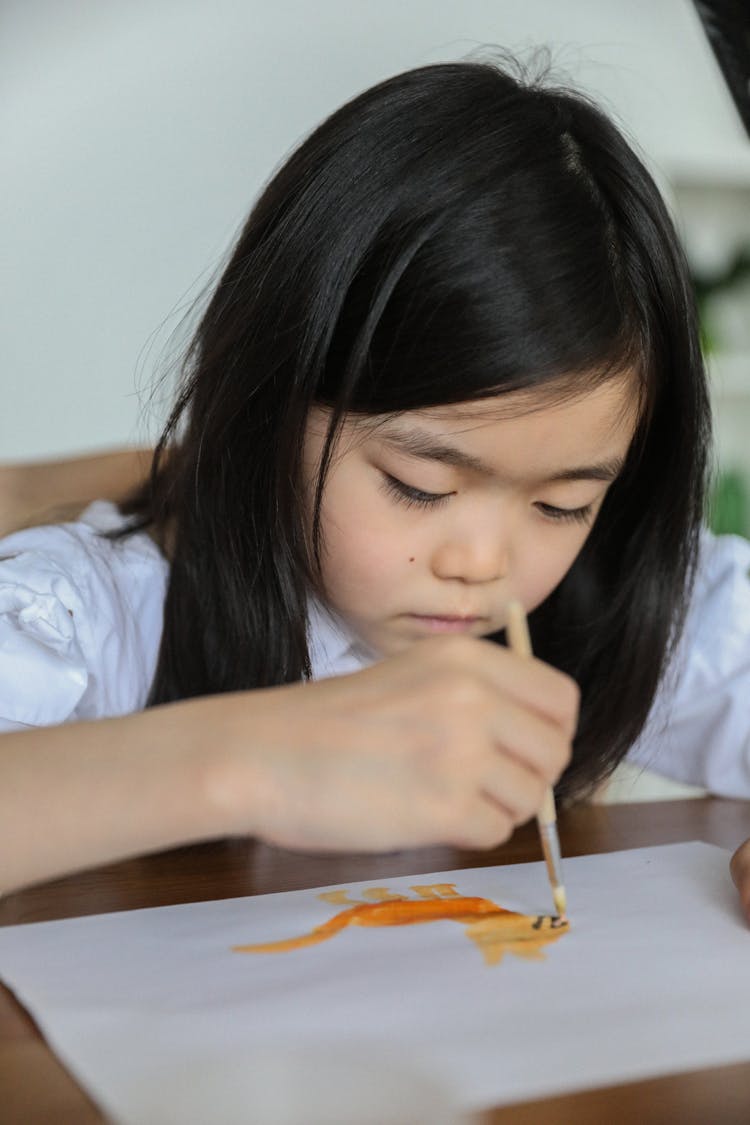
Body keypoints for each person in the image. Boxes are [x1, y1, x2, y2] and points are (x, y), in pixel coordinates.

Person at [1, 58, 749, 918]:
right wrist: (245, 759)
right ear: (270, 406)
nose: (482, 561)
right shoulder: (91, 617)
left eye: (562, 504)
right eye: (420, 486)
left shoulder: (621, 608)